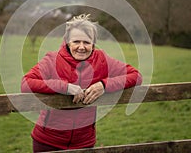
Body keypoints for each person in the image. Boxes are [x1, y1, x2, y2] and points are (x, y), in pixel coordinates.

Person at [21, 14, 142, 152]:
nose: (81, 47)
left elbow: (136, 75)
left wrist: (104, 85)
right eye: (76, 41)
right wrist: (65, 87)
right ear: (67, 41)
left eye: (86, 42)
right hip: (48, 141)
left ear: (93, 43)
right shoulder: (52, 60)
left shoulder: (101, 60)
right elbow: (26, 83)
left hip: (84, 142)